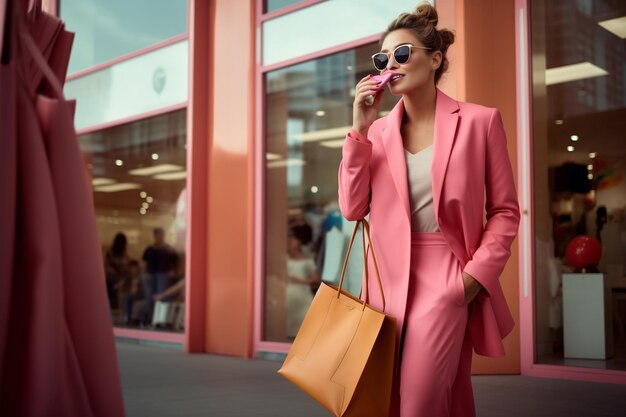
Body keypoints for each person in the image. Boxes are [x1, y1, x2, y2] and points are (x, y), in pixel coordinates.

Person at [338, 3, 520, 417]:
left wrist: (474, 277)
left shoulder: (480, 122)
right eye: (384, 58)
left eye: (403, 54)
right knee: (393, 400)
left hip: (446, 278)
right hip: (384, 283)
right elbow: (352, 209)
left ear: (435, 59)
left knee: (419, 403)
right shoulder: (378, 132)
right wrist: (359, 130)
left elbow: (506, 211)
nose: (392, 64)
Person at [286, 233, 320, 338]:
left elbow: (315, 279)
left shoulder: (307, 260)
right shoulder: (285, 258)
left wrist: (301, 281)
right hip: (288, 294)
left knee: (303, 322)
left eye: (293, 239)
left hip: (303, 294)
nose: (291, 242)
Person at [142, 227, 179, 322]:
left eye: (161, 234)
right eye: (157, 234)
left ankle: (160, 320)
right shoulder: (150, 249)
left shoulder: (169, 249)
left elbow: (175, 263)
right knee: (149, 298)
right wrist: (144, 273)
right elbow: (144, 263)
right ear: (154, 236)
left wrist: (173, 271)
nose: (159, 236)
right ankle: (148, 319)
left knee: (162, 297)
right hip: (150, 275)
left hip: (163, 275)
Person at [104, 232, 130, 310]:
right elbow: (125, 267)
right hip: (117, 277)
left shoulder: (112, 252)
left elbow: (107, 265)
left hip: (115, 277)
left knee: (111, 288)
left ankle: (111, 306)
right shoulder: (122, 254)